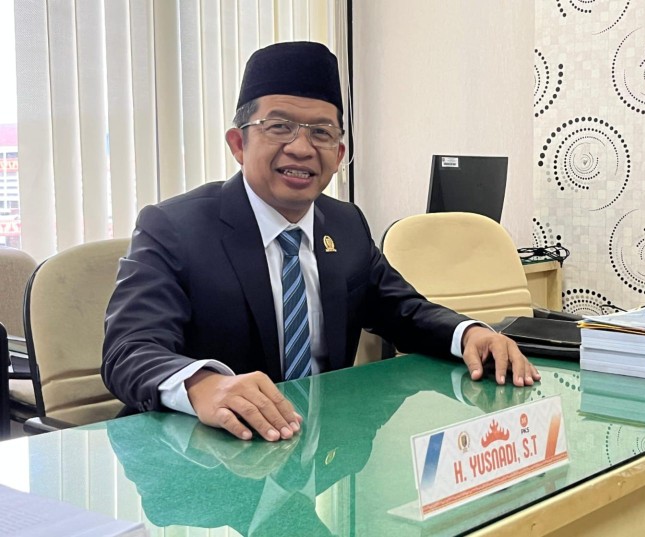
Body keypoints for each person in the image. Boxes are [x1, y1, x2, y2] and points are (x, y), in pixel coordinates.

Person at [102, 41, 540, 443]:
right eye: (279, 126)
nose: (301, 147)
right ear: (238, 144)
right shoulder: (173, 227)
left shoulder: (346, 224)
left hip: (321, 455)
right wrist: (203, 385)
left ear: (339, 155)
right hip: (206, 459)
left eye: (321, 132)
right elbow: (128, 350)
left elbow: (404, 310)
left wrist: (469, 333)